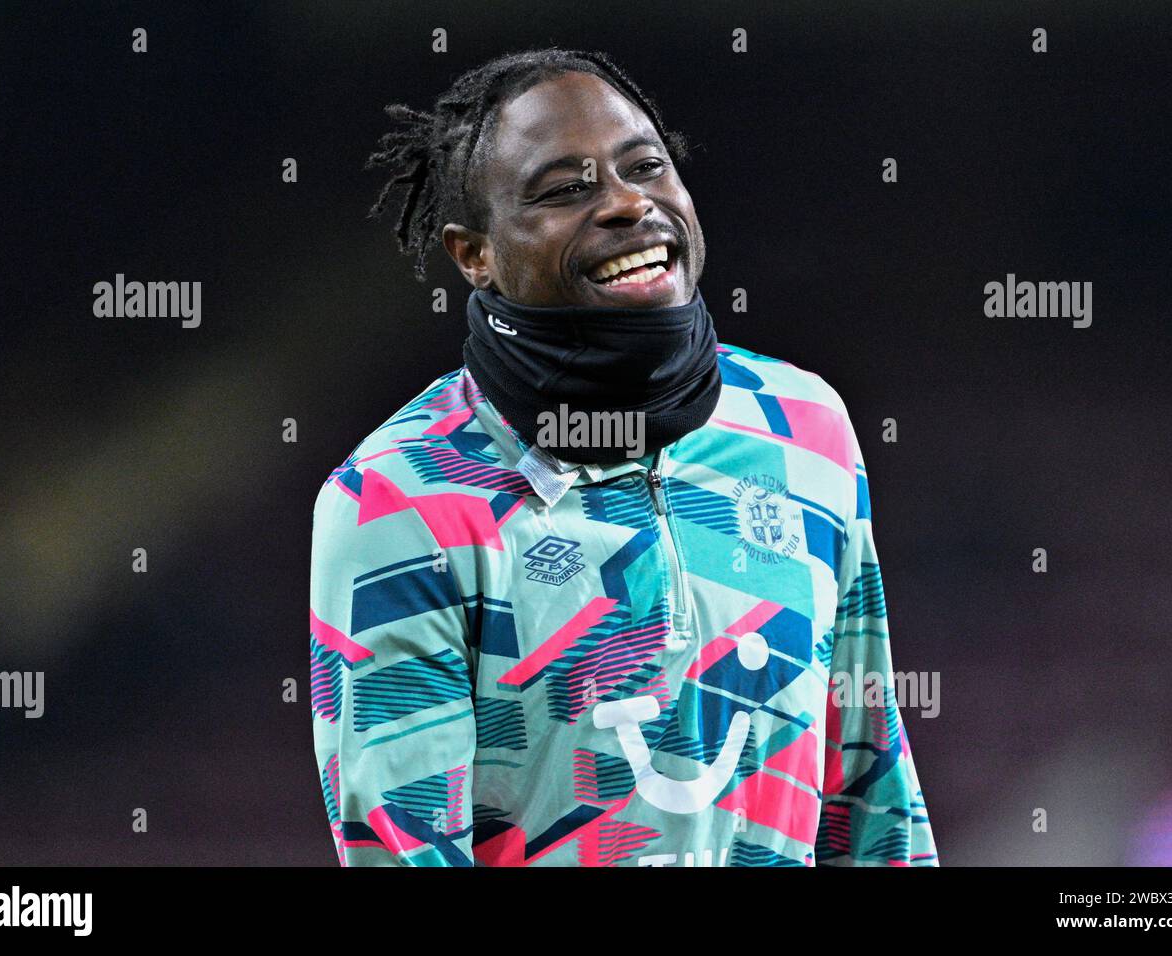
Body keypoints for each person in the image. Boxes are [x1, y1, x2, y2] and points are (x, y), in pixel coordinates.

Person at [309, 47, 937, 867]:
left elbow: (871, 785)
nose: (628, 202)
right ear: (474, 254)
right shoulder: (398, 500)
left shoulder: (803, 427)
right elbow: (404, 849)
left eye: (645, 167)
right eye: (565, 190)